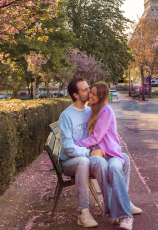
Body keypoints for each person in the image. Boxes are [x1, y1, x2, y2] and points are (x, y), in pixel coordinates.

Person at [75, 82, 142, 230]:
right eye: (90, 92)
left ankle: (126, 216)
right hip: (99, 155)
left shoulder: (105, 110)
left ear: (102, 96)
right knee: (104, 167)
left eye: (94, 93)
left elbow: (96, 138)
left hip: (112, 154)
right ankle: (119, 211)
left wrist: (76, 143)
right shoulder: (93, 110)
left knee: (115, 169)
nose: (90, 95)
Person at [59, 77, 108, 228]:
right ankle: (83, 212)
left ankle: (117, 203)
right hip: (69, 161)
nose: (89, 91)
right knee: (83, 161)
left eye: (88, 88)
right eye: (85, 89)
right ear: (75, 95)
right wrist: (89, 154)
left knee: (110, 160)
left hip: (87, 157)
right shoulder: (66, 116)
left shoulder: (91, 111)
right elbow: (67, 147)